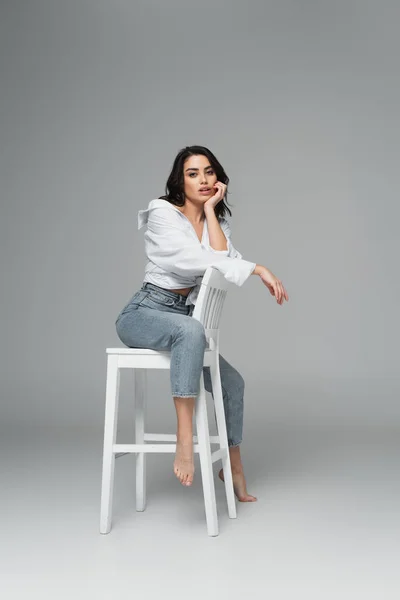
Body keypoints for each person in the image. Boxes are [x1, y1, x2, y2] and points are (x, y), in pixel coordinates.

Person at [115, 145, 289, 502]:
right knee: (190, 329)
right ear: (180, 180)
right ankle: (184, 440)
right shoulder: (163, 211)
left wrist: (211, 212)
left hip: (183, 321)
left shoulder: (217, 222)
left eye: (209, 172)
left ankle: (233, 465)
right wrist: (258, 269)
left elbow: (222, 260)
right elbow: (195, 260)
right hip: (145, 312)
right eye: (193, 173)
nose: (203, 180)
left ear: (218, 177)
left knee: (233, 384)